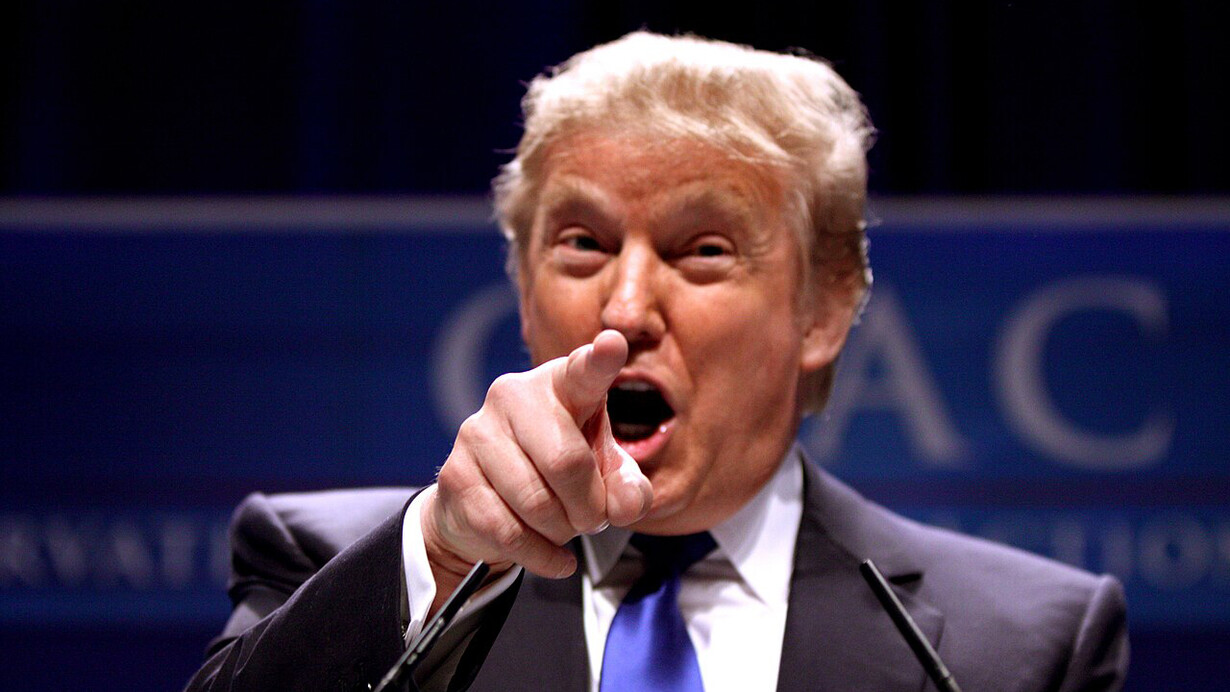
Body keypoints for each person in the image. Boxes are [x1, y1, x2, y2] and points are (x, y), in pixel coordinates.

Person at [187, 32, 1128, 692]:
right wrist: (441, 548)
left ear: (827, 305)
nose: (626, 309)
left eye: (703, 250)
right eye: (583, 245)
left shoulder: (1018, 647)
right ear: (521, 289)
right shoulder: (339, 563)